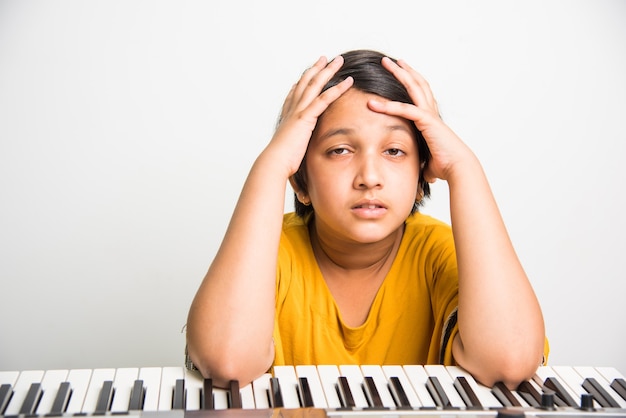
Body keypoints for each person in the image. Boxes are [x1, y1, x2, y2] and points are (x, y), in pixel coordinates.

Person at [186, 49, 547, 390]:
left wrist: (463, 167)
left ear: (421, 179)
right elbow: (227, 363)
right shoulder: (270, 253)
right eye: (340, 150)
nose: (369, 176)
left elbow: (509, 363)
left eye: (394, 150)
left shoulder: (439, 253)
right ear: (301, 181)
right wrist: (272, 165)